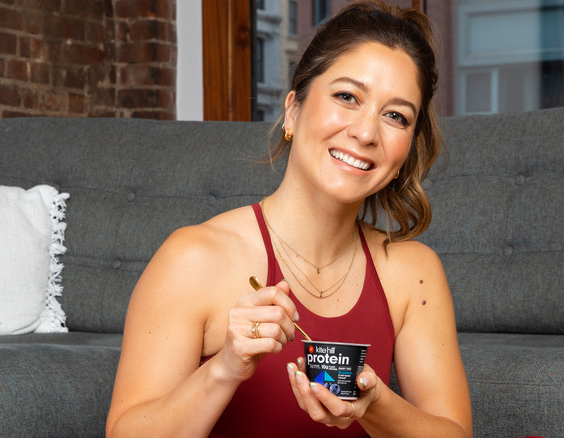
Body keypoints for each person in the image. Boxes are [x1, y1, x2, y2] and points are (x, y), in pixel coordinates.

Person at [106, 1, 472, 436]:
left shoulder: (414, 274)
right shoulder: (193, 258)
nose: (366, 133)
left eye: (396, 116)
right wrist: (224, 368)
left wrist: (374, 405)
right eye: (347, 96)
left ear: (405, 152)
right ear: (293, 111)